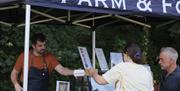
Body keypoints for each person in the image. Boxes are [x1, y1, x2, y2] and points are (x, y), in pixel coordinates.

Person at [10, 33, 84, 91]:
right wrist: (16, 84)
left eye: (44, 45)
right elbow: (14, 73)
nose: (43, 47)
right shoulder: (24, 56)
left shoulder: (49, 57)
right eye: (40, 46)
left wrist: (77, 72)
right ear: (33, 46)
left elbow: (62, 70)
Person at [87, 43, 154, 91]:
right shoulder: (146, 71)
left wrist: (93, 73)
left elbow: (101, 81)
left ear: (126, 54)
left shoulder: (122, 66)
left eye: (122, 55)